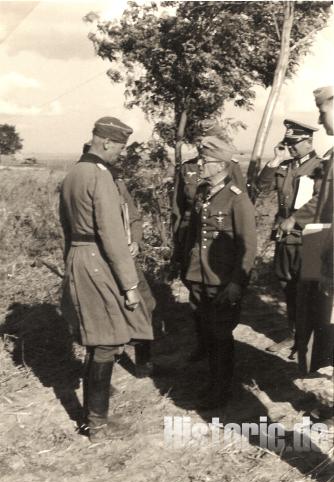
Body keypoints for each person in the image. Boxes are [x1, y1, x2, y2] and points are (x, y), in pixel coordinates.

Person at [60, 117, 153, 443]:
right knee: (107, 342)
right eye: (120, 148)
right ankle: (97, 426)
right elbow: (113, 237)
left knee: (97, 337)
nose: (120, 154)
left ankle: (93, 419)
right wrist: (129, 286)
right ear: (106, 143)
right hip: (99, 260)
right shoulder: (100, 177)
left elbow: (65, 228)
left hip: (78, 257)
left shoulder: (73, 173)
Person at [184, 136, 257, 409]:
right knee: (206, 331)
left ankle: (221, 389)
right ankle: (213, 381)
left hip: (222, 280)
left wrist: (238, 282)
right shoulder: (204, 193)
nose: (201, 165)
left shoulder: (238, 200)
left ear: (221, 165)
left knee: (220, 334)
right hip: (199, 276)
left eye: (206, 161)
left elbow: (248, 247)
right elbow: (195, 236)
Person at [172, 121, 246, 362]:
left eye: (206, 136)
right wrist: (178, 245)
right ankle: (203, 345)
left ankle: (216, 363)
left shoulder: (230, 175)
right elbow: (178, 207)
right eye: (199, 136)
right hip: (191, 240)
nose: (201, 140)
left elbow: (238, 219)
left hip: (218, 248)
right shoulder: (188, 168)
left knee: (218, 318)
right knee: (197, 300)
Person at [83, 141, 156, 376]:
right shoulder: (87, 185)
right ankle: (98, 372)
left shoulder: (119, 185)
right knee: (100, 316)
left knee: (147, 304)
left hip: (127, 259)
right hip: (101, 262)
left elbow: (134, 218)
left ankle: (144, 363)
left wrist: (135, 241)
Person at [256, 120, 323, 357]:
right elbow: (261, 188)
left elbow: (322, 201)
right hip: (285, 236)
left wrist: (295, 219)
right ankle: (294, 335)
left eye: (294, 143)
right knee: (288, 286)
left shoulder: (321, 167)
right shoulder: (285, 167)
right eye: (287, 142)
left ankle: (312, 341)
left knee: (310, 290)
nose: (290, 147)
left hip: (310, 237)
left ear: (308, 142)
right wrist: (275, 161)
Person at [280, 87, 333, 373]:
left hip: (329, 247)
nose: (320, 119)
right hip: (321, 240)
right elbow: (324, 201)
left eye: (322, 111)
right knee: (317, 315)